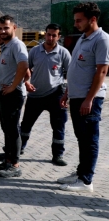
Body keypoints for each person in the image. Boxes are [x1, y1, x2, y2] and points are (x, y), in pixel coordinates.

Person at [57, 2, 109, 193]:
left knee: (90, 139)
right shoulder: (83, 38)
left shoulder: (102, 39)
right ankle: (80, 172)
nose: (75, 24)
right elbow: (75, 69)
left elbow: (102, 71)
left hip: (90, 99)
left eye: (79, 20)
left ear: (92, 19)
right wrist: (67, 92)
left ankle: (86, 180)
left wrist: (89, 99)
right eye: (75, 20)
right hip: (77, 96)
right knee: (81, 138)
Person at [18, 24, 71, 167]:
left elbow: (71, 75)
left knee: (58, 126)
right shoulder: (35, 51)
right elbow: (24, 68)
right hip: (35, 95)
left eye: (54, 35)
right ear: (45, 35)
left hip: (56, 95)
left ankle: (58, 155)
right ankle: (19, 149)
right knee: (26, 125)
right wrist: (26, 82)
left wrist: (66, 95)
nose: (51, 37)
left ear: (59, 37)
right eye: (48, 34)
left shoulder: (63, 53)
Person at [0, 15, 29, 178]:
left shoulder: (17, 45)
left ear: (14, 27)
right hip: (3, 94)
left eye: (6, 28)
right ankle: (8, 160)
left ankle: (14, 165)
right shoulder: (6, 46)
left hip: (12, 95)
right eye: (0, 28)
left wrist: (14, 85)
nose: (2, 31)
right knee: (7, 129)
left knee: (12, 130)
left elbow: (24, 65)